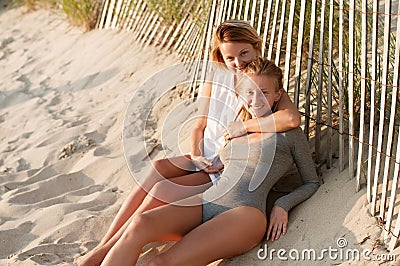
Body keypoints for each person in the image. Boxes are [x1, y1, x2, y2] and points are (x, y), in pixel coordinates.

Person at [75, 20, 301, 265]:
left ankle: (105, 252)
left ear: (257, 47)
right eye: (230, 58)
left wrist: (243, 127)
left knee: (161, 190)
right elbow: (198, 126)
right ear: (221, 58)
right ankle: (106, 244)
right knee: (159, 167)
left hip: (223, 166)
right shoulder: (216, 78)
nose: (238, 62)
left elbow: (291, 117)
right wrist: (195, 155)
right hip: (205, 157)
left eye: (244, 53)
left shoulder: (261, 81)